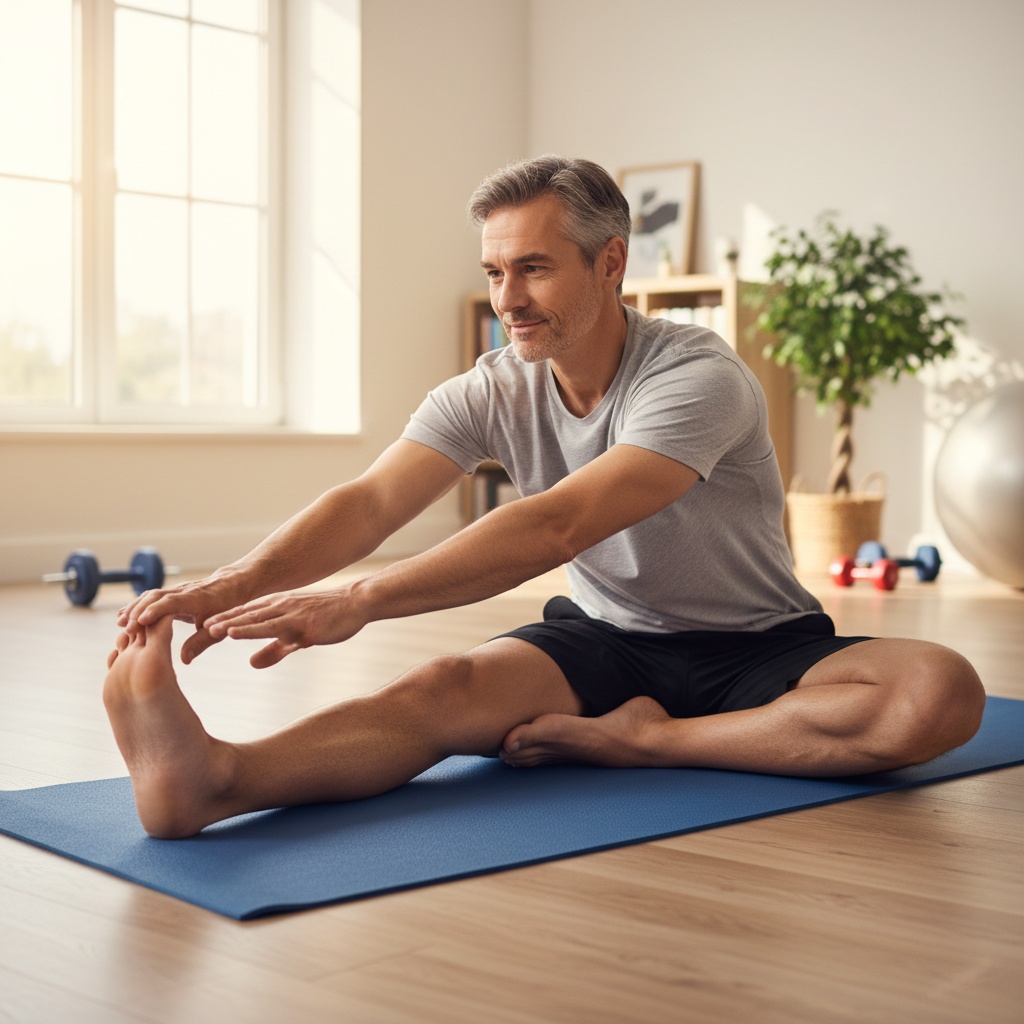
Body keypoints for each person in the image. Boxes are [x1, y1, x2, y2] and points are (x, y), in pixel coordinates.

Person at [107, 156, 985, 839]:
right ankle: (216, 781)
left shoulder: (697, 376)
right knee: (444, 686)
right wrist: (231, 584)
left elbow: (558, 522)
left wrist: (360, 600)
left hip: (754, 648)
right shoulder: (492, 386)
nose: (507, 301)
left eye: (532, 269)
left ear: (611, 263)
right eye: (494, 273)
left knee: (938, 693)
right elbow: (371, 502)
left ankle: (645, 741)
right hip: (603, 644)